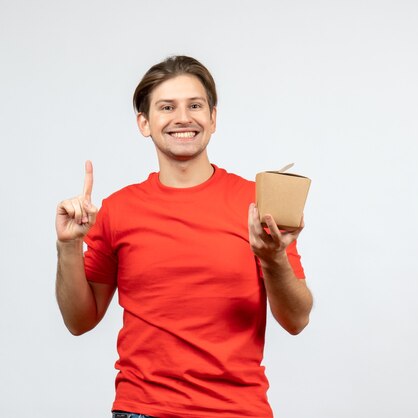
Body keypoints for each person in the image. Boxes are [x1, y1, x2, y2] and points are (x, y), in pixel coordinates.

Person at [55, 55, 313, 418]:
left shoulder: (256, 205)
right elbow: (79, 321)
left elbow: (297, 320)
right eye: (166, 107)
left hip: (238, 411)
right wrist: (68, 245)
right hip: (141, 410)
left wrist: (272, 258)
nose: (183, 118)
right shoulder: (117, 209)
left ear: (213, 118)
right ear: (144, 123)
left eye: (195, 105)